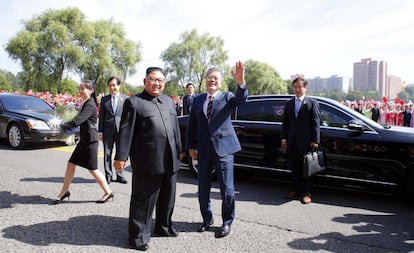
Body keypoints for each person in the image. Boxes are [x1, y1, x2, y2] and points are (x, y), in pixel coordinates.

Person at [114, 67, 183, 251]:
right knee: (143, 201)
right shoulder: (134, 102)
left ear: (164, 83)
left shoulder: (168, 101)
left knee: (168, 197)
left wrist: (180, 149)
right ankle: (137, 238)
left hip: (170, 159)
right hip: (147, 161)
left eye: (160, 80)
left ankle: (164, 227)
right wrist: (121, 156)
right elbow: (125, 132)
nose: (157, 83)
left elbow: (175, 127)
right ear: (145, 81)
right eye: (153, 79)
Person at [186, 61, 248, 238]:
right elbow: (192, 125)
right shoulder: (198, 100)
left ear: (220, 82)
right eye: (210, 78)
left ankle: (227, 222)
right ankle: (207, 219)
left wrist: (241, 83)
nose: (212, 80)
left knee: (227, 189)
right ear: (206, 81)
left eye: (216, 78)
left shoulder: (227, 97)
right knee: (202, 187)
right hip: (203, 149)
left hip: (224, 149)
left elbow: (241, 100)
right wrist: (190, 146)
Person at [50, 80, 113, 205]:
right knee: (71, 164)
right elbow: (76, 119)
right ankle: (64, 191)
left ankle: (108, 192)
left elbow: (77, 121)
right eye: (79, 88)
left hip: (90, 142)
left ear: (91, 90)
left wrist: (62, 126)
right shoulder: (85, 103)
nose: (80, 91)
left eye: (83, 89)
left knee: (93, 169)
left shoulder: (90, 104)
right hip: (84, 140)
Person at [281, 76, 320, 204]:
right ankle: (295, 189)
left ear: (305, 88)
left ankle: (307, 192)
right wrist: (284, 137)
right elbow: (285, 123)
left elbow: (316, 124)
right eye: (295, 87)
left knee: (308, 167)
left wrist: (315, 140)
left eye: (300, 87)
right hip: (292, 141)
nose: (297, 89)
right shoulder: (289, 103)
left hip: (307, 142)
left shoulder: (312, 103)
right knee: (295, 166)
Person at [98, 76, 128, 184]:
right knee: (107, 153)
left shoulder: (125, 99)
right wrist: (100, 132)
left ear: (119, 85)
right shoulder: (104, 99)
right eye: (110, 85)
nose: (112, 88)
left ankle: (120, 175)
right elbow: (101, 116)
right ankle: (108, 175)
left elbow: (128, 117)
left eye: (114, 85)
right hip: (107, 130)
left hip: (121, 131)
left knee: (120, 153)